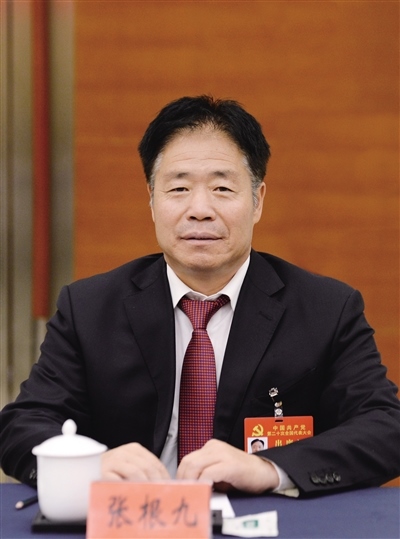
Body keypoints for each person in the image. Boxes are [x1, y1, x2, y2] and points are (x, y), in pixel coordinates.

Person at [0, 95, 399, 497]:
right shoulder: (89, 308)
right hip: (133, 517)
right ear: (151, 201)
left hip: (266, 517)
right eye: (179, 188)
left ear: (257, 201)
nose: (200, 209)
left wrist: (270, 468)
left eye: (222, 188)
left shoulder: (326, 309)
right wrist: (87, 466)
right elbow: (22, 426)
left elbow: (386, 428)